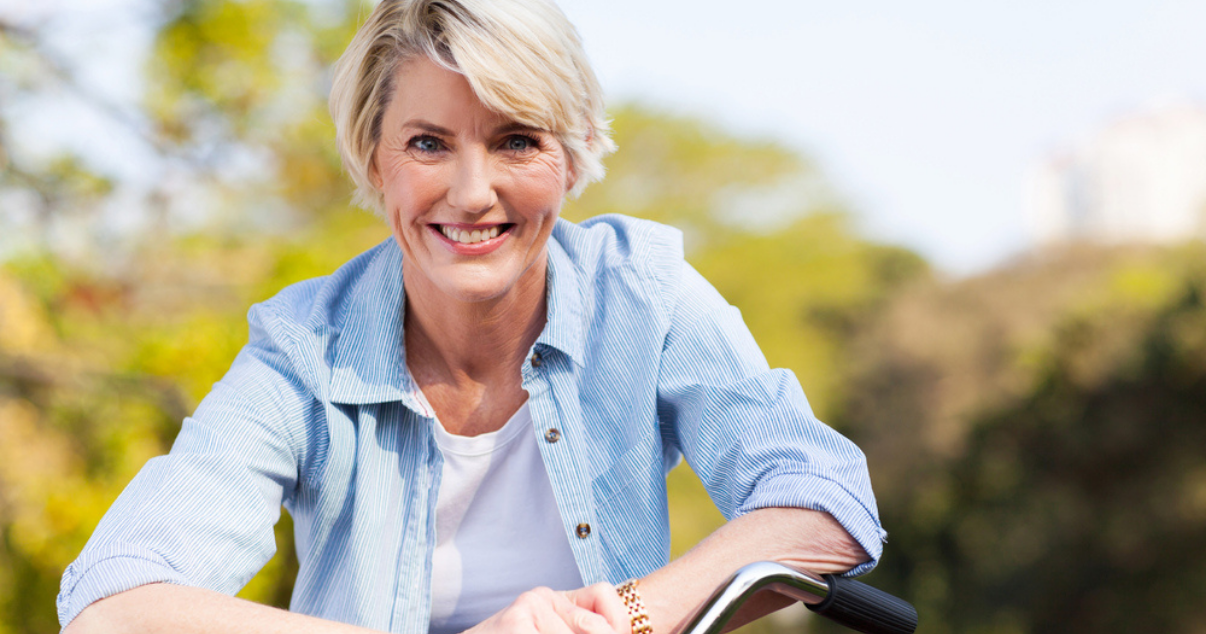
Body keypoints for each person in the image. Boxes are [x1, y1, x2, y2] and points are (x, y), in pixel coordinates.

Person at [57, 0, 886, 633]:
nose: (471, 191)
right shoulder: (304, 349)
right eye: (427, 143)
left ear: (575, 152)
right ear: (374, 159)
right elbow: (113, 599)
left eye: (517, 140)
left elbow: (823, 498)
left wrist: (624, 615)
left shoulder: (644, 293)